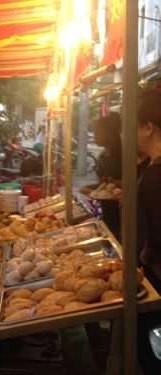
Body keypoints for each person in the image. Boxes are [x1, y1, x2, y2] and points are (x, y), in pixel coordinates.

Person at [136, 89, 161, 374]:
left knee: (151, 353)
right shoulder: (151, 168)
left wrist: (145, 254)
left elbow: (157, 233)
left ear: (148, 127)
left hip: (157, 274)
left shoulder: (155, 175)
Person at [93, 113, 122, 240]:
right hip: (108, 209)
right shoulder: (103, 156)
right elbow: (102, 183)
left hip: (123, 212)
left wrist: (113, 182)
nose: (95, 135)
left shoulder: (125, 154)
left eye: (98, 131)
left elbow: (134, 182)